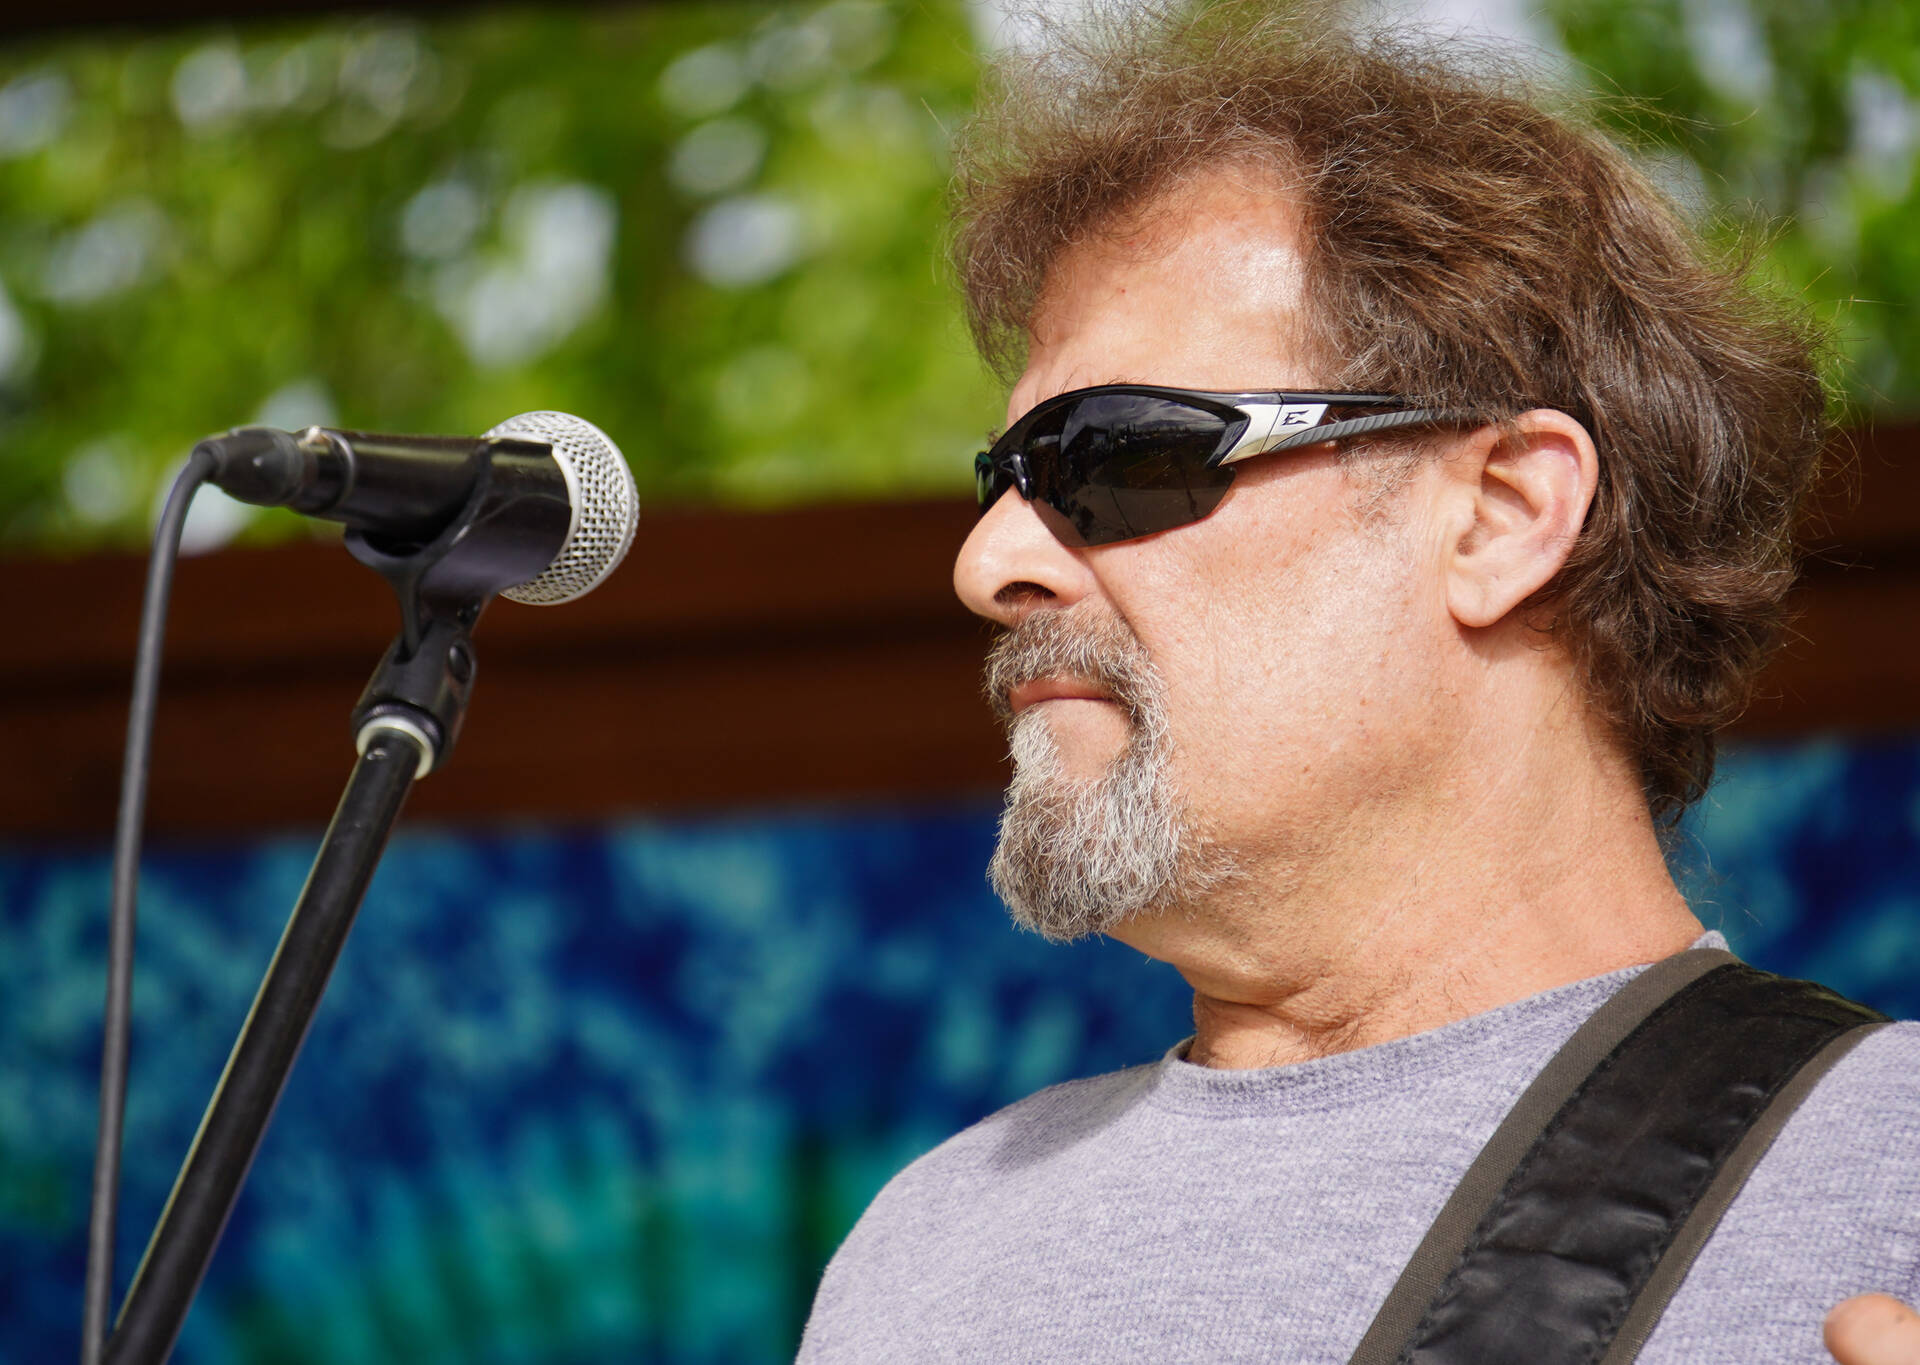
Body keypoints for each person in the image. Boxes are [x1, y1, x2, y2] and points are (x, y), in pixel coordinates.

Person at [795, 3, 1920, 1362]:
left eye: (1117, 457)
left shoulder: (1884, 1191)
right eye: (1006, 480)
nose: (992, 559)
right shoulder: (930, 1251)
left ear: (1503, 512)